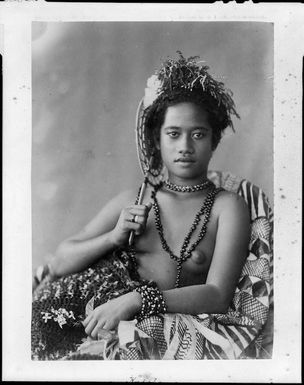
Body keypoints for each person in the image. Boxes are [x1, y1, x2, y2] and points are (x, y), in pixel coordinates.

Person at [32, 52, 271, 360]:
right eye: (173, 134)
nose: (185, 146)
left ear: (214, 140)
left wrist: (136, 300)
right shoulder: (135, 199)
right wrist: (113, 238)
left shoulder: (228, 207)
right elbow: (59, 263)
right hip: (75, 300)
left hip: (136, 318)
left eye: (198, 134)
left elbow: (217, 295)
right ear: (157, 140)